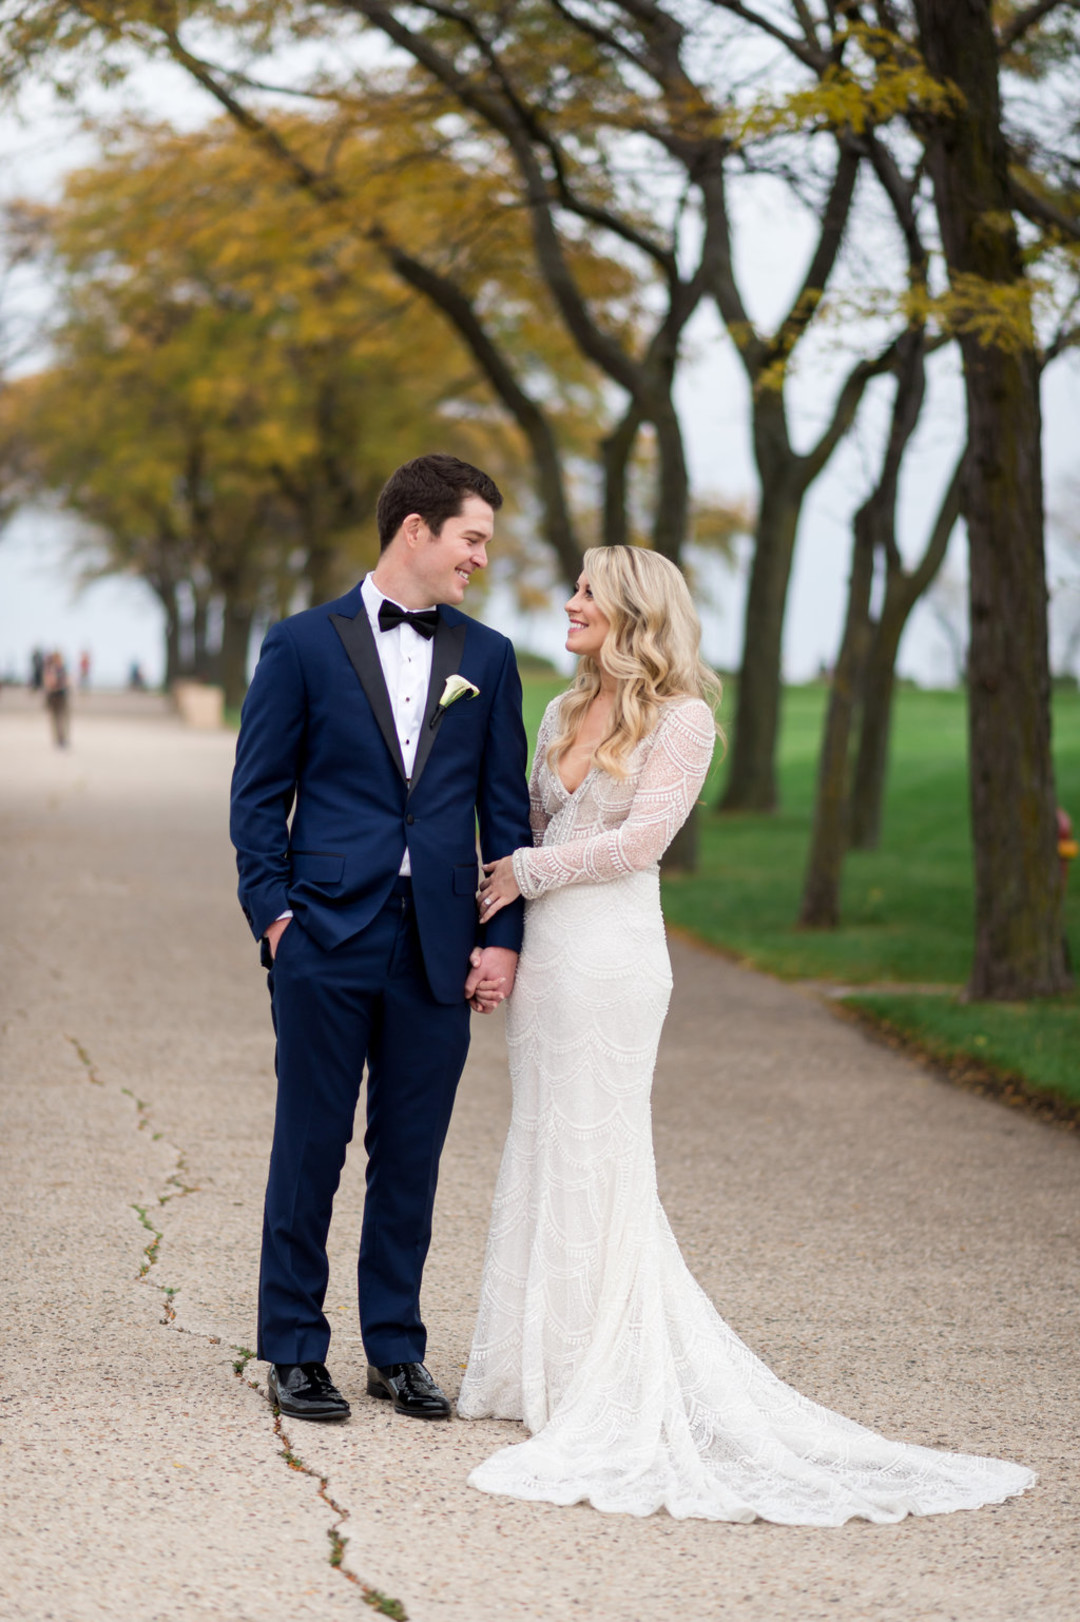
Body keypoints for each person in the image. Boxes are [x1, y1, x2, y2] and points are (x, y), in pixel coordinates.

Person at [459, 544, 1035, 1525]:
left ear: (635, 609)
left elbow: (642, 841)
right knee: (544, 1131)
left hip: (613, 954)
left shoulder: (685, 720)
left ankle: (597, 1370)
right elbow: (525, 818)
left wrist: (524, 868)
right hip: (550, 956)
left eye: (588, 590)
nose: (570, 602)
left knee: (600, 1143)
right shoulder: (560, 710)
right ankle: (534, 1365)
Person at [230, 454, 532, 1426]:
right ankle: (295, 1347)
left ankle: (396, 1349)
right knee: (310, 1143)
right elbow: (256, 798)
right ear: (416, 528)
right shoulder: (300, 644)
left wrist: (504, 937)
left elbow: (505, 816)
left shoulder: (488, 659)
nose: (481, 558)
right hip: (324, 933)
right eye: (472, 537)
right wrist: (278, 918)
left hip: (440, 944)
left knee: (413, 1154)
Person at [42, 651, 71, 748]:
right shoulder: (52, 669)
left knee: (62, 719)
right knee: (55, 719)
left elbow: (67, 681)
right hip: (55, 696)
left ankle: (62, 738)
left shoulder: (61, 669)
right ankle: (58, 739)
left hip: (61, 696)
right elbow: (49, 683)